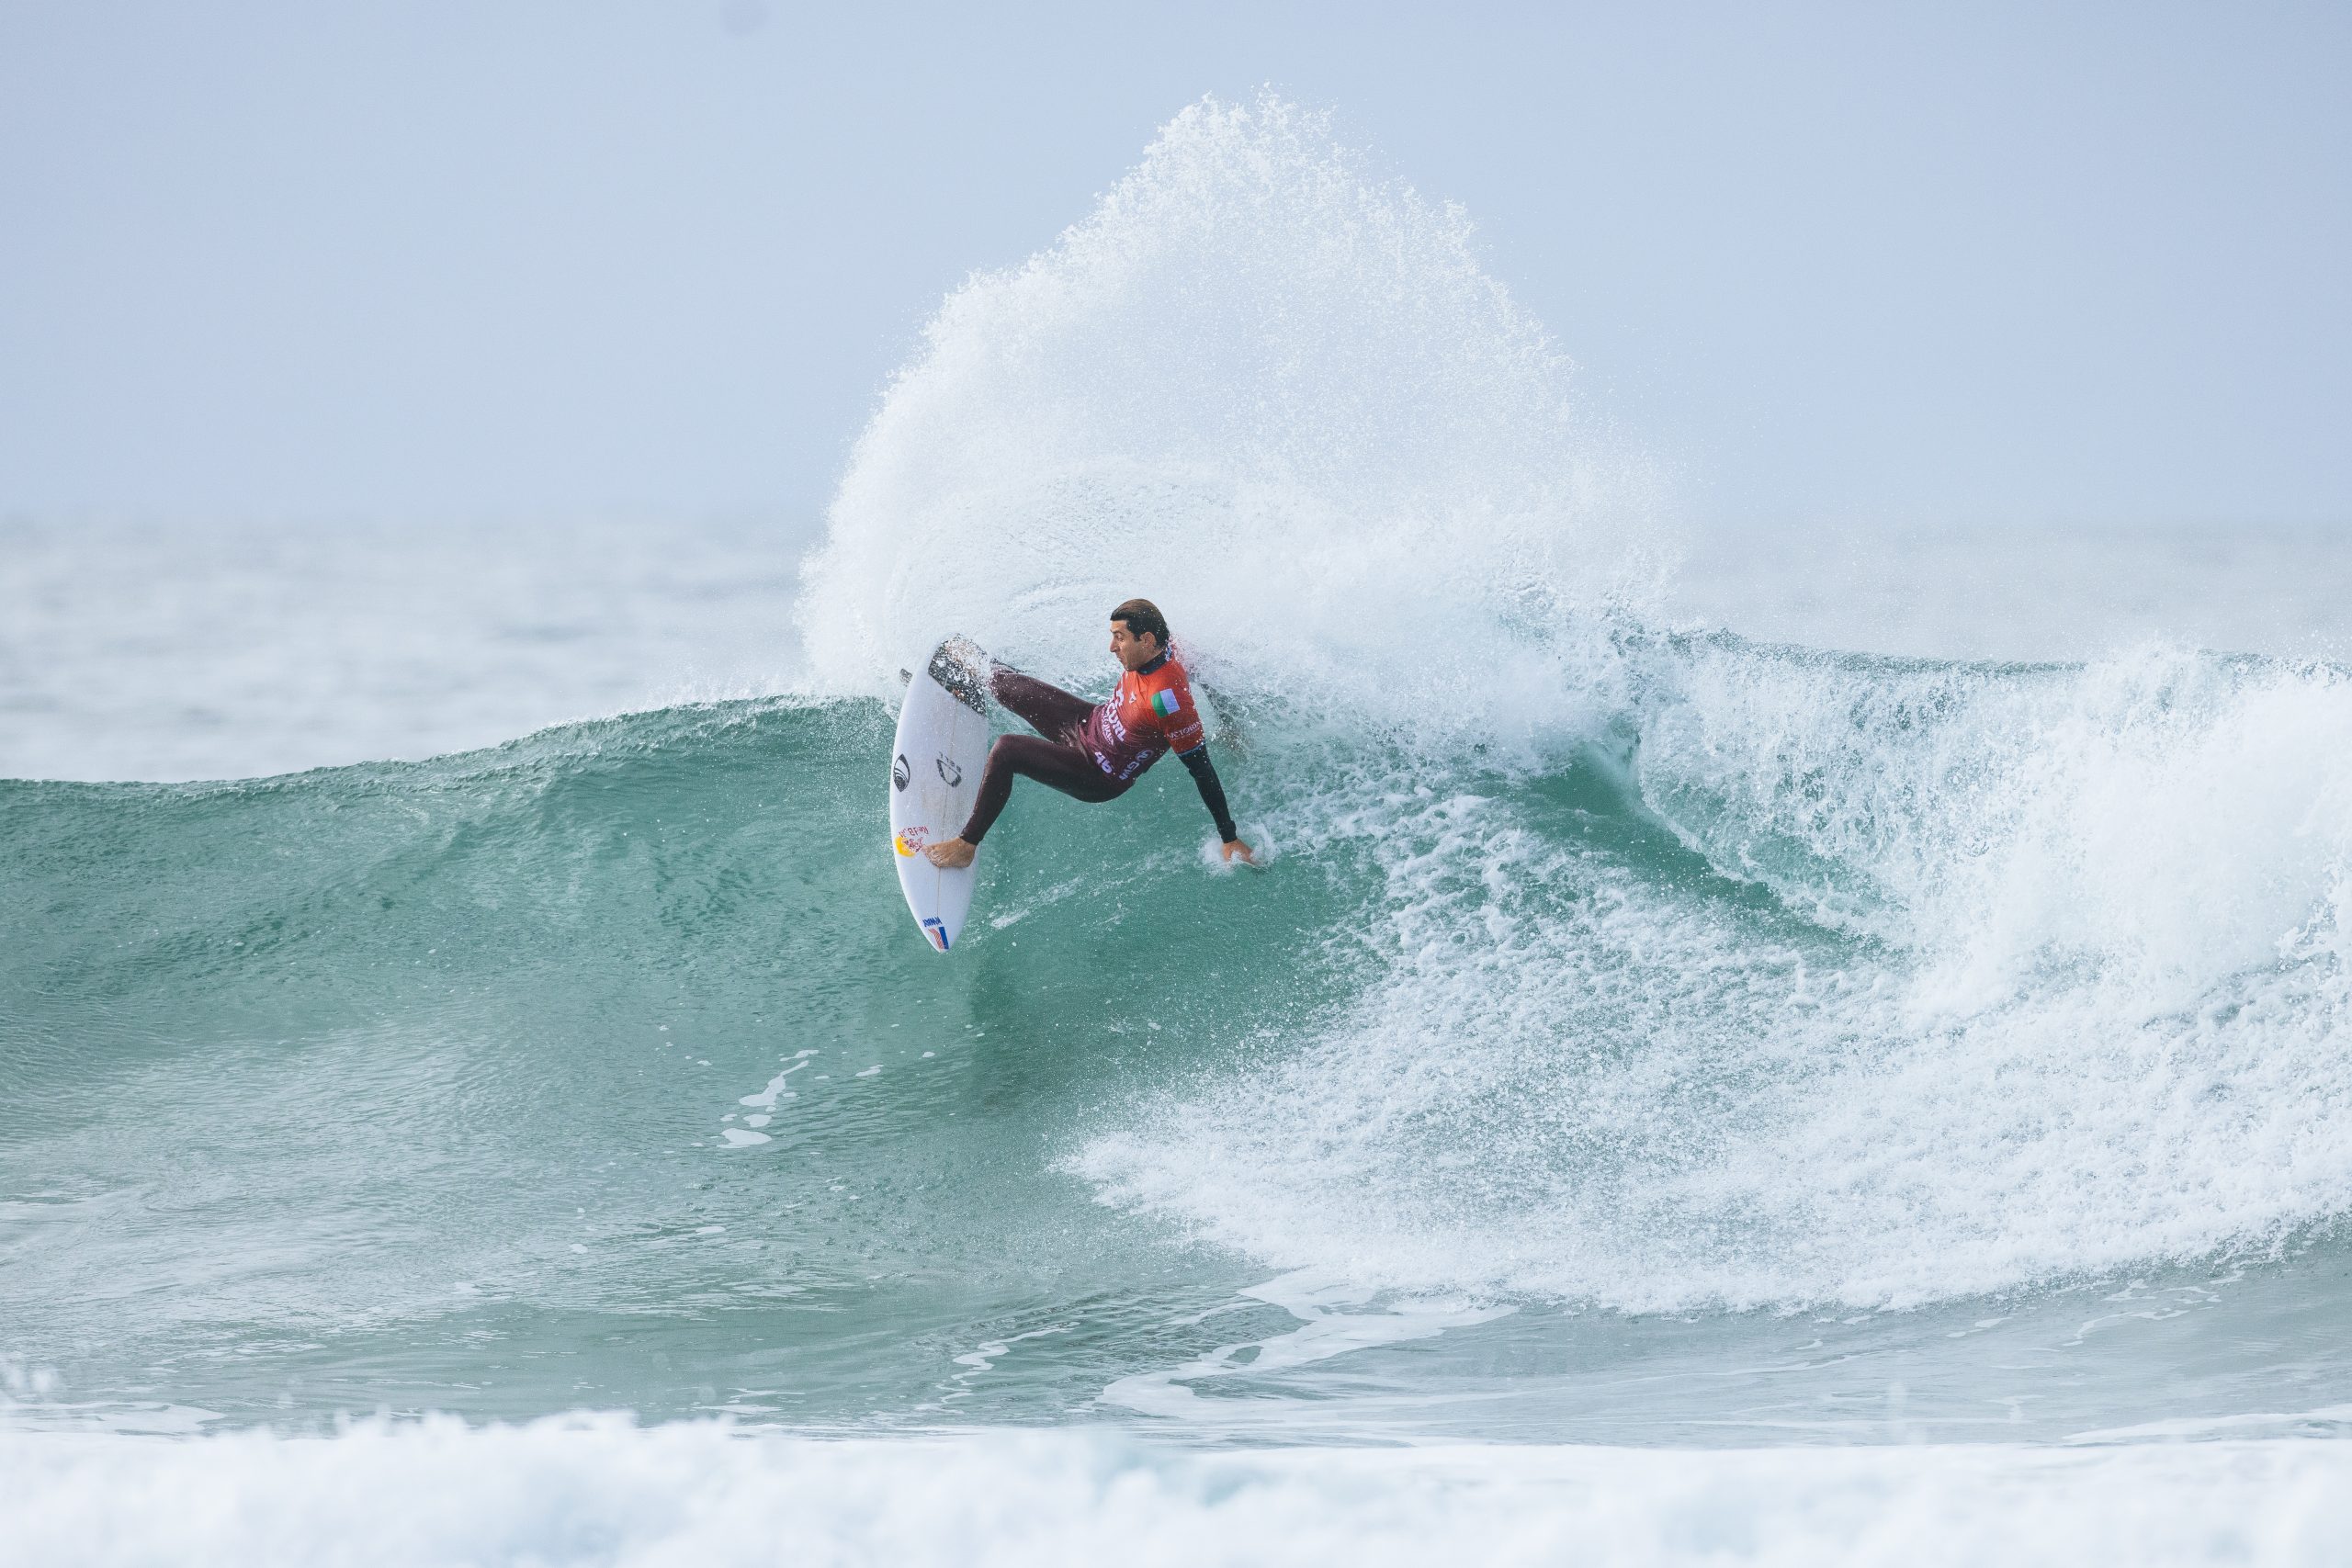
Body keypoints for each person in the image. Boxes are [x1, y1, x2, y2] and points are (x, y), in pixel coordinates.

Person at [923, 599, 1255, 869]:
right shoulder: (1170, 648)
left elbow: (1202, 770)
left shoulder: (1167, 701)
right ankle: (961, 683)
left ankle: (965, 846)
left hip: (1098, 771)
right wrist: (1229, 724)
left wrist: (1229, 837)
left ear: (1147, 640)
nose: (1112, 647)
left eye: (1120, 638)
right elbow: (1210, 676)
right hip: (1089, 721)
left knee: (1008, 749)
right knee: (1003, 681)